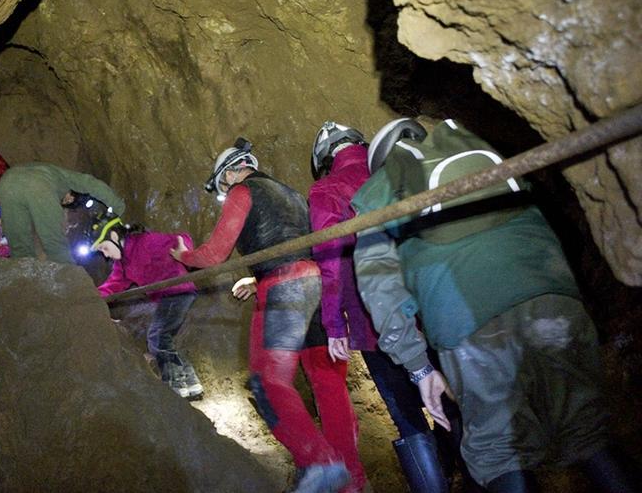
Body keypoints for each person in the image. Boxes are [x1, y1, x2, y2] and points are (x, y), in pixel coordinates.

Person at [352, 117, 640, 492]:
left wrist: (419, 368)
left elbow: (381, 289)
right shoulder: (484, 152)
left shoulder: (379, 191)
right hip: (554, 301)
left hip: (471, 324)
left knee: (497, 450)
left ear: (381, 162)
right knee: (586, 431)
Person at [170, 138, 350, 493]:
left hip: (285, 287)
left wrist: (184, 255)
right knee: (328, 383)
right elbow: (298, 246)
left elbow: (213, 256)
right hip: (316, 286)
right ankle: (352, 481)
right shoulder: (294, 196)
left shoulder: (243, 191)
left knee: (268, 382)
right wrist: (257, 277)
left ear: (232, 171)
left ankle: (319, 463)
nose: (225, 192)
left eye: (223, 184)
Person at [308, 121, 476, 493]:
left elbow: (330, 261)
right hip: (425, 307)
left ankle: (435, 483)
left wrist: (334, 324)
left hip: (374, 321)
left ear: (324, 156)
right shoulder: (391, 169)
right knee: (449, 400)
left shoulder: (325, 190)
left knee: (408, 418)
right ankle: (471, 476)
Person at [232, 278, 369, 493]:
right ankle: (349, 478)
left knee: (322, 388)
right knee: (330, 390)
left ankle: (329, 468)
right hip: (320, 298)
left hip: (313, 300)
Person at [92, 214, 204, 399]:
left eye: (104, 248)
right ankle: (191, 385)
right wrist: (91, 296)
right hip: (166, 297)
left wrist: (185, 250)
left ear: (113, 236)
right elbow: (112, 285)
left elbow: (180, 238)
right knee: (165, 339)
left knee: (157, 336)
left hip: (177, 291)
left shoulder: (144, 242)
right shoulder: (123, 264)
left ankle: (174, 386)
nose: (105, 254)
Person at [0, 164, 125, 263]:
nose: (67, 201)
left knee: (20, 252)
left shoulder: (52, 171)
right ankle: (71, 286)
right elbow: (91, 183)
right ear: (72, 194)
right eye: (69, 200)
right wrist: (119, 209)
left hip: (6, 182)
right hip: (38, 185)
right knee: (56, 246)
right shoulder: (66, 178)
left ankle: (26, 284)